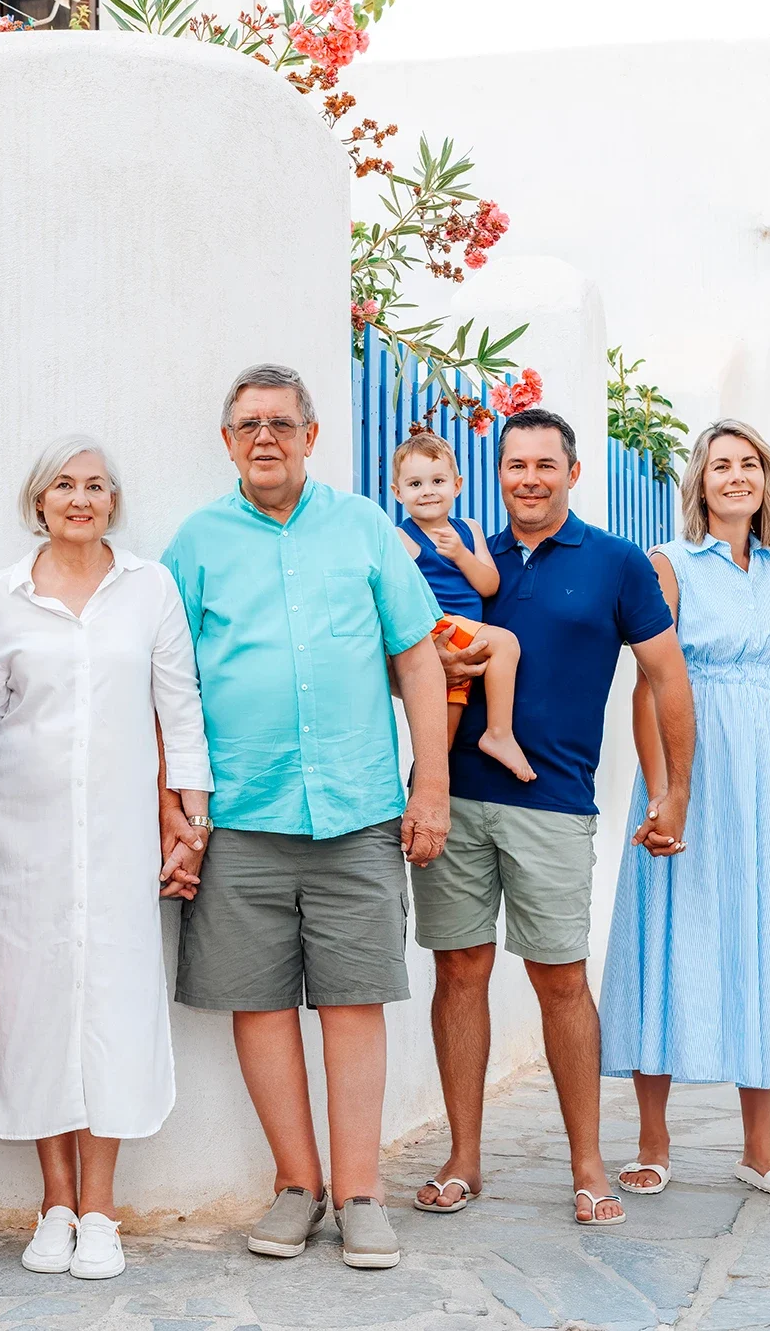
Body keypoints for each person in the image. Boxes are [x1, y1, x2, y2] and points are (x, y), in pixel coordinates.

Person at [162, 363, 453, 1271]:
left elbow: (418, 660)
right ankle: (299, 1184)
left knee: (353, 999)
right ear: (227, 441)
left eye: (282, 423)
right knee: (257, 1003)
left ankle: (361, 1192)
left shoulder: (365, 528)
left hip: (358, 808)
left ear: (311, 436)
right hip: (241, 814)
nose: (265, 438)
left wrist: (431, 785)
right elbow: (168, 682)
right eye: (248, 424)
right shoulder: (196, 543)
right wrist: (174, 806)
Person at [418, 406, 695, 1228]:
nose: (529, 479)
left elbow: (667, 677)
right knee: (458, 971)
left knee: (562, 979)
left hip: (555, 801)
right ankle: (463, 1159)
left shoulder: (617, 562)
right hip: (455, 795)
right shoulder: (462, 557)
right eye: (516, 465)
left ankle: (587, 1165)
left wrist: (677, 788)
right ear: (496, 473)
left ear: (573, 472)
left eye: (545, 464)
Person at [0, 439, 213, 1281]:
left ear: (113, 500)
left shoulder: (150, 587)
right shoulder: (3, 595)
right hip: (21, 837)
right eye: (64, 485)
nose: (80, 498)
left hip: (119, 834)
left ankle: (101, 1207)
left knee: (113, 1002)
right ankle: (56, 1203)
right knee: (36, 1004)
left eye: (95, 485)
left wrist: (192, 817)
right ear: (39, 501)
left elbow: (179, 705)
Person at [598, 421, 770, 1201]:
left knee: (763, 935)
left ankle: (758, 1146)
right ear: (700, 481)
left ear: (765, 479)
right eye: (720, 464)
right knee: (667, 930)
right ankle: (652, 1141)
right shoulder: (669, 564)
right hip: (688, 765)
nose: (735, 476)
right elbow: (649, 685)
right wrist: (665, 791)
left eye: (749, 463)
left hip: (765, 773)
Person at [392, 433, 534, 781]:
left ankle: (419, 798)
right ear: (398, 493)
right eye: (415, 484)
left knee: (440, 745)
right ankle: (498, 733)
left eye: (438, 481)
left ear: (456, 485)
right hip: (439, 629)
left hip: (464, 639)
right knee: (506, 643)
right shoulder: (401, 538)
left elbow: (489, 584)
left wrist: (460, 553)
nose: (427, 491)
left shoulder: (469, 530)